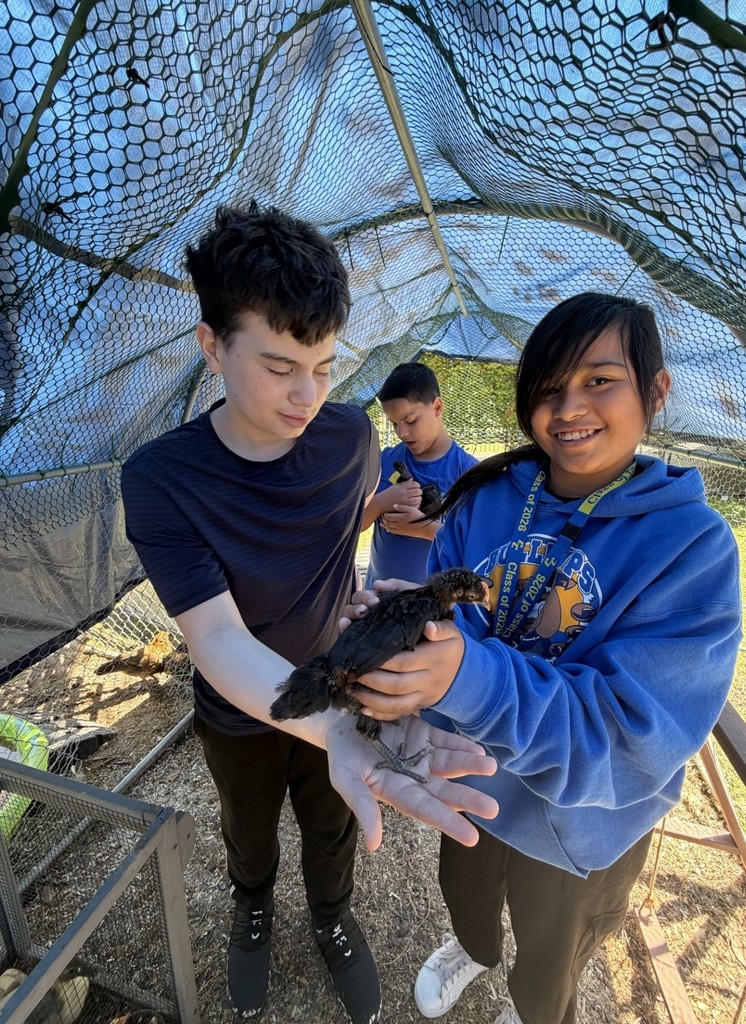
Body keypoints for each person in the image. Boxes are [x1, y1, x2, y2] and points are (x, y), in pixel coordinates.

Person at [119, 203, 498, 1024]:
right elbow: (215, 632)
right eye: (281, 365)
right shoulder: (161, 479)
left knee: (334, 831)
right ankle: (252, 911)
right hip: (244, 709)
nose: (306, 395)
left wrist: (353, 612)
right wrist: (324, 725)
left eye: (324, 367)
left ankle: (332, 918)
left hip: (347, 690)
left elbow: (333, 548)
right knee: (247, 834)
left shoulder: (349, 438)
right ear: (212, 345)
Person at [341, 292, 742, 1024]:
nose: (569, 408)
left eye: (599, 380)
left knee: (553, 953)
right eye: (549, 389)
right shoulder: (487, 495)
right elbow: (453, 617)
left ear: (655, 391)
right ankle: (473, 950)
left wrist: (470, 674)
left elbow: (627, 733)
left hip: (582, 821)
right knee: (466, 896)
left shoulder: (693, 547)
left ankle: (531, 1011)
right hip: (471, 774)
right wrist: (408, 628)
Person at [361, 362, 476, 586]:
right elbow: (354, 525)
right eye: (394, 424)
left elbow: (473, 543)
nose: (402, 433)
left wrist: (423, 528)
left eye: (411, 421)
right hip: (378, 595)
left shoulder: (467, 472)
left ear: (437, 407)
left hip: (430, 604)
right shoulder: (385, 461)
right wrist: (382, 502)